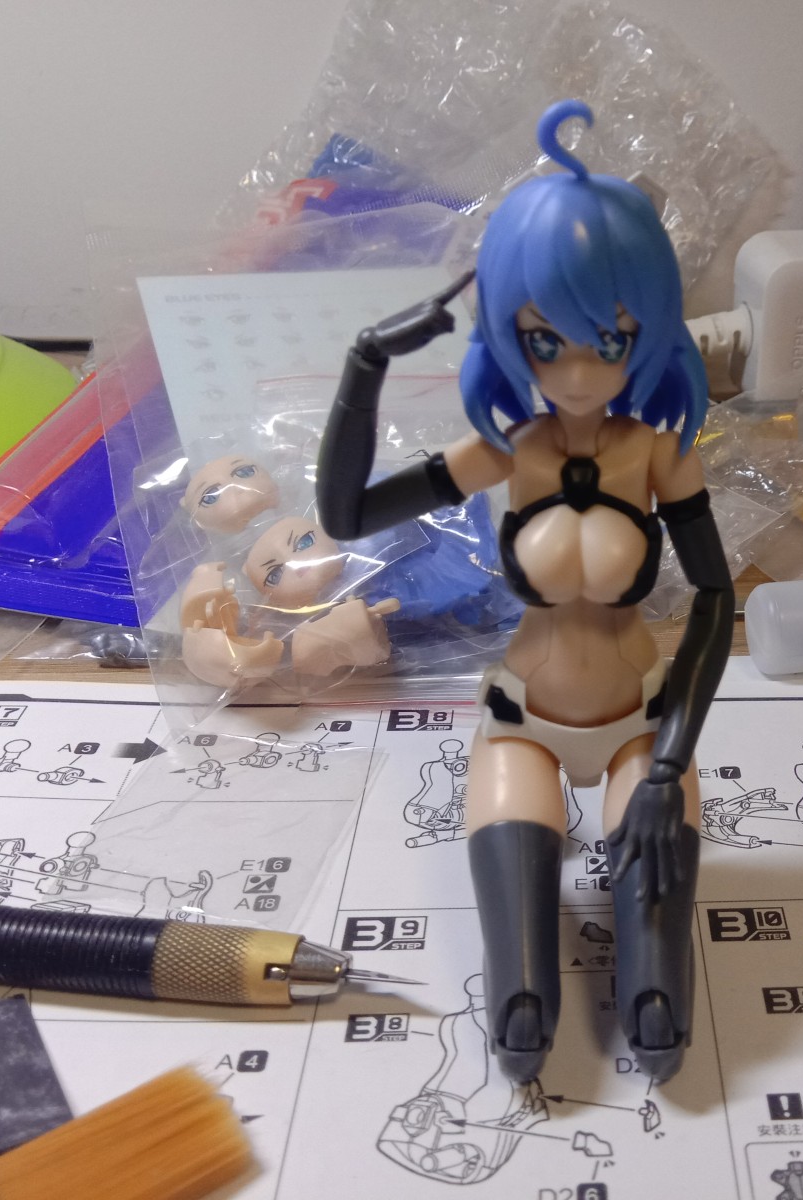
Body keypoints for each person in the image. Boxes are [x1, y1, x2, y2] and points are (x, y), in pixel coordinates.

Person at [316, 100, 732, 1085]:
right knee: (520, 996)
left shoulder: (658, 455)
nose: (579, 372)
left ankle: (649, 983)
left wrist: (672, 761)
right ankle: (524, 1005)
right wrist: (365, 365)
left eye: (610, 339)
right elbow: (346, 514)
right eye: (546, 343)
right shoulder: (505, 450)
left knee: (658, 990)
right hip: (523, 724)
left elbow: (718, 601)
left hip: (641, 724)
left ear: (650, 330)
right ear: (508, 332)